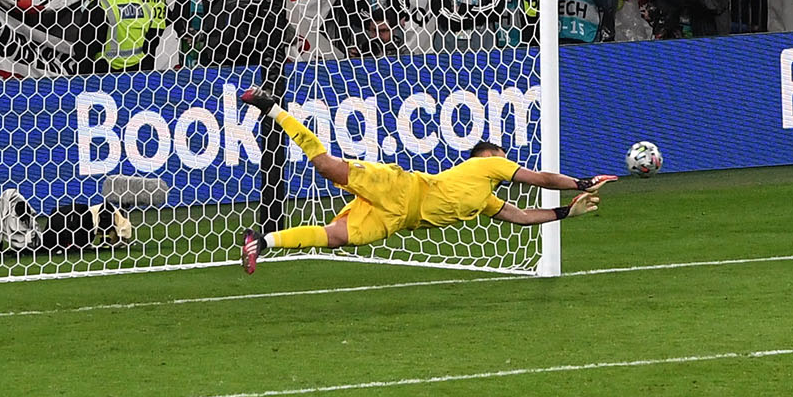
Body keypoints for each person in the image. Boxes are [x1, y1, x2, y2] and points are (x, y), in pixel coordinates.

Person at [237, 87, 616, 273]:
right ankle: (272, 108)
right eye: (500, 154)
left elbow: (524, 216)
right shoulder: (487, 167)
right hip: (402, 186)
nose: (506, 160)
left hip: (397, 219)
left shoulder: (485, 200)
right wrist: (580, 182)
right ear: (487, 157)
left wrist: (567, 212)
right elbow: (539, 178)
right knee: (326, 166)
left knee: (336, 238)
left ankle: (262, 241)